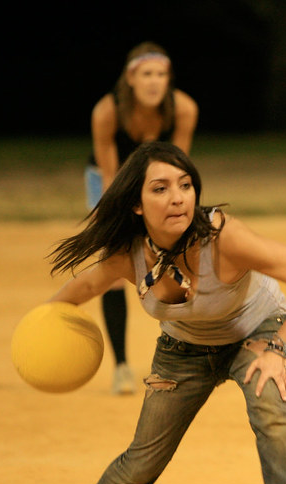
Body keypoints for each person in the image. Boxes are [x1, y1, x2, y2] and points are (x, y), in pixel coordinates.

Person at [43, 141, 286, 484]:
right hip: (182, 349)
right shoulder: (130, 253)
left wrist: (281, 348)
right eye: (160, 188)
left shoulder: (224, 238)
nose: (178, 198)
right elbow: (84, 289)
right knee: (145, 454)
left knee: (273, 414)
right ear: (136, 205)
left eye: (185, 185)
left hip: (254, 334)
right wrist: (40, 326)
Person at [85, 41, 199, 394]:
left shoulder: (183, 108)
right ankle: (121, 366)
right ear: (130, 79)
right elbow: (110, 177)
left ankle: (187, 357)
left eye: (161, 74)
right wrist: (123, 224)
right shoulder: (107, 111)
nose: (154, 81)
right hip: (109, 181)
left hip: (159, 182)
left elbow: (177, 170)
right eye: (147, 74)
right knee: (115, 264)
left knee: (180, 261)